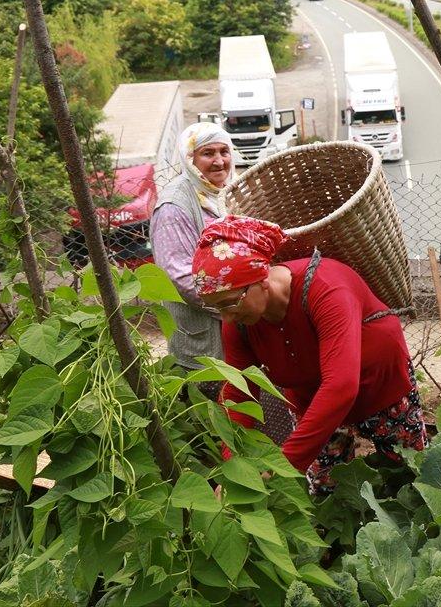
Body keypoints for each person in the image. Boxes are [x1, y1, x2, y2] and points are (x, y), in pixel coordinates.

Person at [191, 215, 426, 494]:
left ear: (261, 278)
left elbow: (340, 386)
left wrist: (282, 466)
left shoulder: (326, 287)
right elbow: (239, 393)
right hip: (313, 401)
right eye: (217, 308)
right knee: (325, 491)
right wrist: (234, 470)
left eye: (230, 303)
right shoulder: (238, 323)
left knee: (411, 476)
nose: (226, 316)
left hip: (377, 385)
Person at [150, 122, 234, 384]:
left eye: (224, 151)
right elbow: (180, 277)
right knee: (214, 413)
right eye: (208, 153)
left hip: (238, 327)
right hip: (204, 341)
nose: (219, 161)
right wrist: (236, 304)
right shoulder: (173, 207)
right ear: (190, 158)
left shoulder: (224, 195)